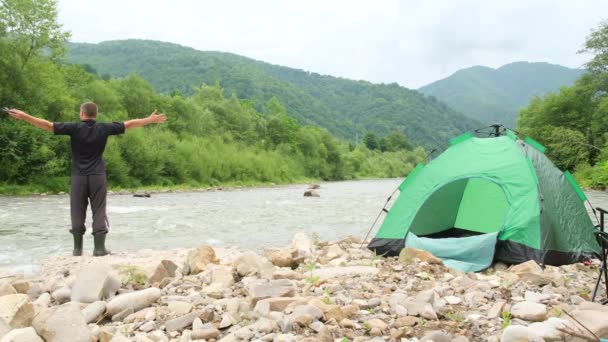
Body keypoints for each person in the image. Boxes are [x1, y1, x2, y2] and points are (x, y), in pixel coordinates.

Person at [7, 102, 167, 256]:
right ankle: (99, 249)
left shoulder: (74, 128)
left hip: (78, 177)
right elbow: (129, 124)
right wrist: (149, 120)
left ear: (82, 113)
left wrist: (24, 116)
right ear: (95, 115)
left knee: (77, 210)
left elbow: (48, 125)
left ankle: (77, 250)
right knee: (98, 209)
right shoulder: (104, 128)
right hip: (97, 175)